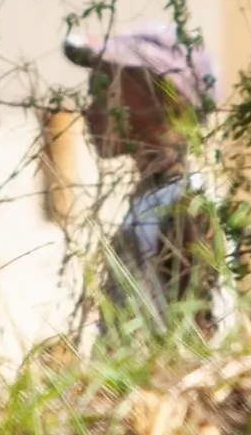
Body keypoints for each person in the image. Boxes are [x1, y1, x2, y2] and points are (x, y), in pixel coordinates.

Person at [61, 23, 226, 337]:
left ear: (167, 101)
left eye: (107, 90)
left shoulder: (184, 208)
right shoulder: (155, 199)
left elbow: (198, 332)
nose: (91, 109)